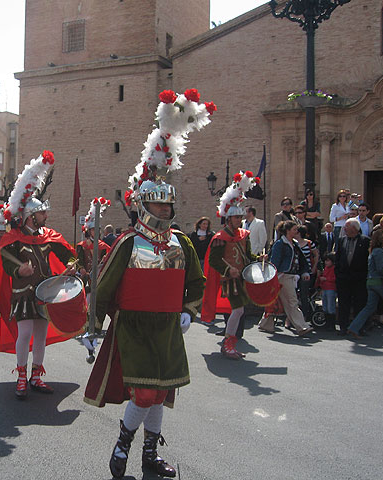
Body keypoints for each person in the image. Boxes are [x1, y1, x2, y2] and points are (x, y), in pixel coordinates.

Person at [84, 88, 211, 479]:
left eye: (168, 206)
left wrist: (189, 311)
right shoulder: (128, 242)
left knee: (162, 391)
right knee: (144, 392)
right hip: (134, 327)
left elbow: (197, 282)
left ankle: (149, 455)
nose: (164, 211)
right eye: (157, 205)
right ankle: (122, 447)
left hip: (169, 327)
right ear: (144, 205)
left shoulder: (181, 242)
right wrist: (93, 327)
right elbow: (103, 287)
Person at [0, 150, 78, 400]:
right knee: (25, 334)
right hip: (23, 295)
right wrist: (18, 269)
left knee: (40, 336)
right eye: (41, 213)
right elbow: (4, 261)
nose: (45, 216)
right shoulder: (12, 240)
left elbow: (68, 254)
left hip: (45, 292)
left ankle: (36, 376)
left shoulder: (48, 236)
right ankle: (20, 377)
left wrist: (71, 264)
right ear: (29, 216)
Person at [202, 171, 261, 358]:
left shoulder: (244, 235)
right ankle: (228, 343)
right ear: (229, 219)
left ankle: (229, 343)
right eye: (236, 218)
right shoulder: (221, 238)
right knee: (238, 310)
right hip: (229, 279)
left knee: (239, 311)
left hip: (242, 277)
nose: (239, 220)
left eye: (240, 218)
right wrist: (229, 270)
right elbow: (213, 260)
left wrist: (259, 259)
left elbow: (248, 256)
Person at [347, 230, 383, 342]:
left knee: (370, 307)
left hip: (371, 282)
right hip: (379, 282)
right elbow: (381, 269)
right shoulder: (379, 251)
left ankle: (354, 327)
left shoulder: (373, 250)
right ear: (382, 239)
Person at [258, 221, 314, 336]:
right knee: (291, 301)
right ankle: (301, 326)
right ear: (288, 231)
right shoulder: (280, 244)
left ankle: (266, 324)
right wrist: (274, 276)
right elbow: (275, 261)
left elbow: (301, 259)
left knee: (275, 302)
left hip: (289, 276)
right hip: (282, 276)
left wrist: (304, 271)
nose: (296, 231)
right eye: (294, 229)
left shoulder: (293, 243)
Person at [334, 218, 370, 335]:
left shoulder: (365, 241)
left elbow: (367, 260)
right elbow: (337, 257)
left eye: (347, 226)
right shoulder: (341, 240)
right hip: (343, 277)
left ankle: (359, 327)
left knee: (359, 303)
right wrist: (338, 273)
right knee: (344, 302)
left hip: (359, 278)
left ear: (354, 228)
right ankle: (343, 326)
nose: (344, 229)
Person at [76, 197, 112, 291]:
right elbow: (79, 261)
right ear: (89, 231)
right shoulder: (82, 246)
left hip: (99, 279)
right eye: (93, 229)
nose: (95, 231)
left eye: (97, 229)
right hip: (85, 279)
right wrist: (81, 269)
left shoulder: (104, 246)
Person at [296, 225, 319, 324]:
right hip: (296, 271)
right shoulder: (293, 243)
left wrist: (314, 268)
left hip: (308, 272)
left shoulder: (309, 244)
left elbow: (316, 254)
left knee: (304, 293)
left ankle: (305, 314)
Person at [316, 253, 337, 330]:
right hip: (325, 288)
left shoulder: (334, 269)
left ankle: (332, 324)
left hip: (331, 288)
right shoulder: (326, 269)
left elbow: (334, 278)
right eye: (325, 261)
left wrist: (326, 279)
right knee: (325, 306)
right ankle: (327, 323)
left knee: (330, 306)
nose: (326, 262)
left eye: (328, 261)